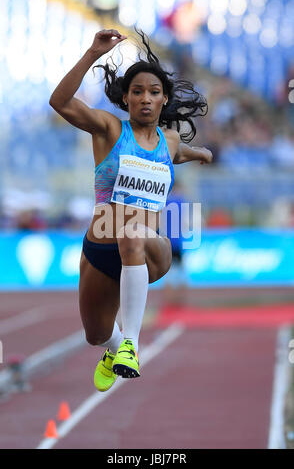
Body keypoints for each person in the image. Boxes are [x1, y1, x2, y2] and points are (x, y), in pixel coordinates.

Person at [49, 28, 212, 392]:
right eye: (137, 91)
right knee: (94, 334)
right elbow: (59, 102)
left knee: (132, 233)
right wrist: (92, 53)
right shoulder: (108, 130)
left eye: (154, 92)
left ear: (163, 100)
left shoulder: (168, 141)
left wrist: (200, 152)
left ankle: (130, 345)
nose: (145, 98)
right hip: (101, 247)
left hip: (151, 248)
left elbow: (178, 152)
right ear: (126, 98)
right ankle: (112, 347)